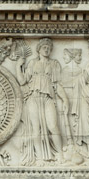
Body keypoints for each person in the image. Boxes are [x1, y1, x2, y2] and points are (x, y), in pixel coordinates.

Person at [16, 38, 67, 166]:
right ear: (38, 49)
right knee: (36, 129)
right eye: (44, 47)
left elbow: (58, 85)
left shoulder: (54, 64)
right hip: (33, 97)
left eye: (49, 47)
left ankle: (60, 155)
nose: (47, 49)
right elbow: (22, 81)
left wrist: (65, 99)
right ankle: (39, 158)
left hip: (48, 98)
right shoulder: (32, 63)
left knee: (53, 126)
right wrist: (18, 66)